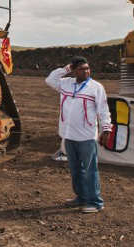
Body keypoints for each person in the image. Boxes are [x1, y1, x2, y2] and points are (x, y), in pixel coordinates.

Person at [45, 56, 113, 214]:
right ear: (74, 71)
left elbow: (103, 110)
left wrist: (106, 129)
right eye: (82, 69)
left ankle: (95, 202)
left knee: (90, 170)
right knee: (76, 170)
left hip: (87, 136)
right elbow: (50, 79)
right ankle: (81, 197)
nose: (86, 71)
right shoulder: (65, 84)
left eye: (88, 68)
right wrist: (65, 69)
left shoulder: (96, 87)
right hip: (68, 136)